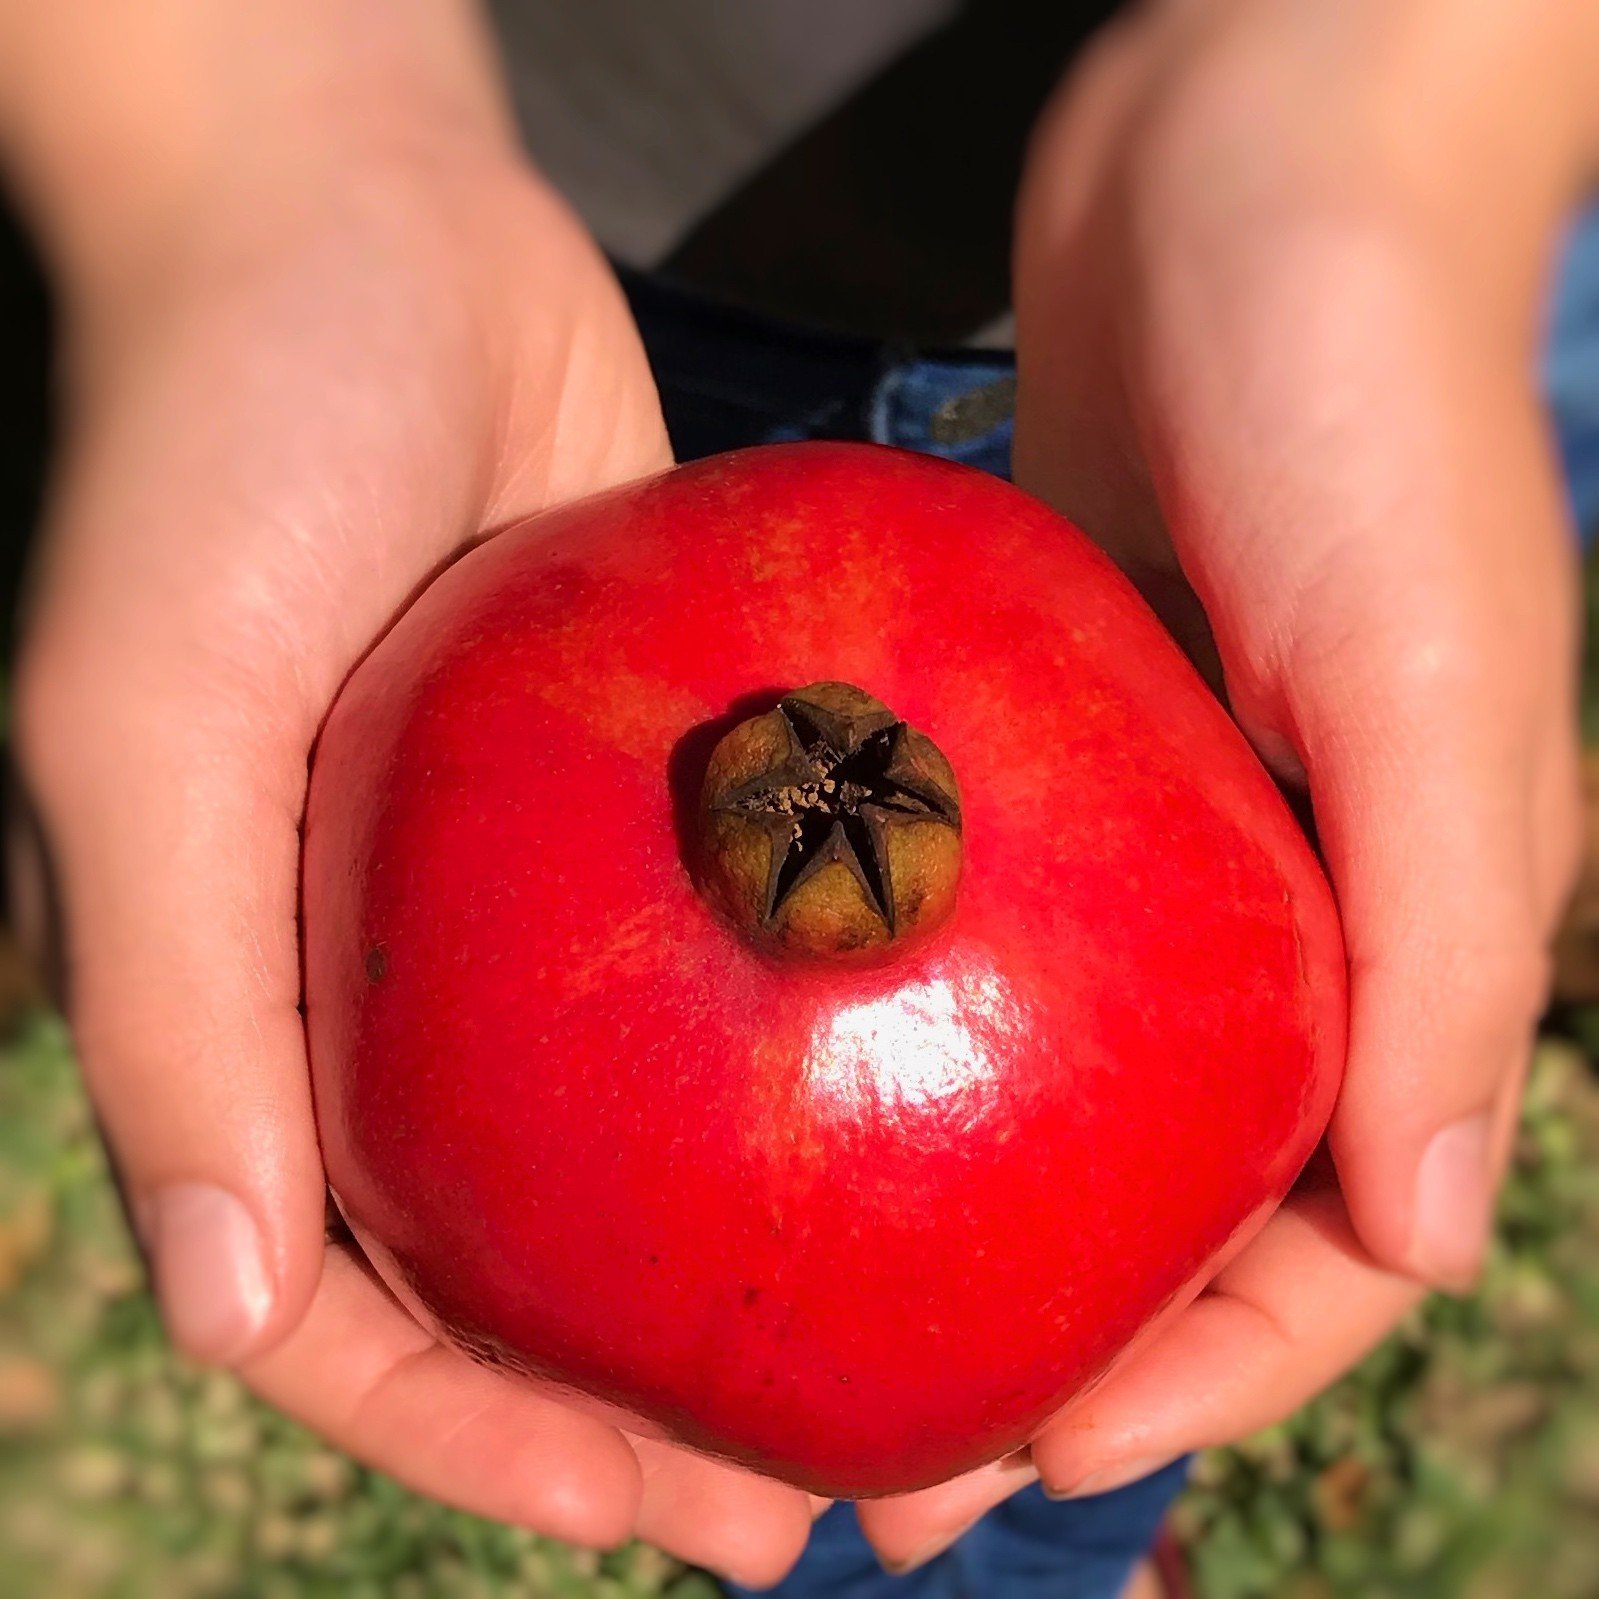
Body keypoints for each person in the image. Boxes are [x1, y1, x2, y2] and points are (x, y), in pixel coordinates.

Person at [1, 2, 1596, 1595]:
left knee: (1078, 1397)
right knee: (849, 1476)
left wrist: (1420, 102)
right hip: (545, 227)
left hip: (1329, 234)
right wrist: (240, 143)